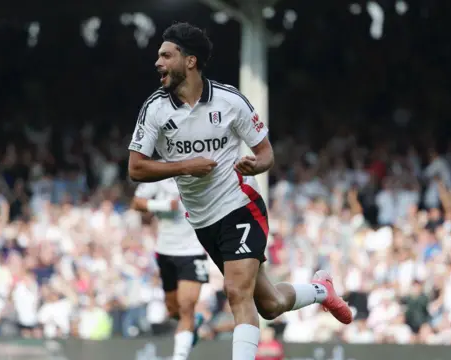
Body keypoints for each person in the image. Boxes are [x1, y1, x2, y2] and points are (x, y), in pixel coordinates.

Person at [127, 22, 352, 360]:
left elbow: (266, 153)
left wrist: (256, 165)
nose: (157, 63)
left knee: (236, 293)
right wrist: (184, 166)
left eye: (165, 55)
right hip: (203, 219)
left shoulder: (231, 101)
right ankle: (321, 290)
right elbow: (136, 168)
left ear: (190, 61)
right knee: (270, 304)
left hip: (240, 203)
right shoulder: (155, 109)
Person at [131, 178, 208, 360]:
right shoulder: (159, 173)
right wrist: (164, 205)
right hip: (166, 251)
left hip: (194, 250)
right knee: (174, 310)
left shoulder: (202, 169)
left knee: (186, 305)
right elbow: (136, 202)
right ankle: (193, 323)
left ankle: (179, 357)